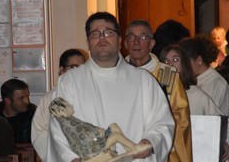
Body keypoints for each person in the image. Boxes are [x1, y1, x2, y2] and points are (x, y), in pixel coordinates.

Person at [47, 12, 175, 162]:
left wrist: (150, 142)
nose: (102, 37)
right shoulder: (69, 81)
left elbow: (162, 123)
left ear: (120, 40)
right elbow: (58, 127)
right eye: (95, 33)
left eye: (108, 32)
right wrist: (71, 159)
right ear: (88, 42)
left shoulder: (144, 80)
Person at [124, 20, 192, 162]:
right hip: (124, 148)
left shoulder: (167, 75)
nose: (136, 42)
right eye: (131, 37)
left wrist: (158, 141)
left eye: (143, 37)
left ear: (152, 44)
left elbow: (180, 118)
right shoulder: (116, 75)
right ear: (125, 44)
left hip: (157, 151)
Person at [160, 44, 229, 162]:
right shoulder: (158, 95)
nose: (170, 65)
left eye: (175, 60)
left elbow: (224, 126)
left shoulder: (197, 95)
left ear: (184, 64)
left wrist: (227, 144)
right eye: (166, 61)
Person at [31, 48, 87, 160]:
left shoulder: (89, 96)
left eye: (83, 68)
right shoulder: (49, 99)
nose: (78, 72)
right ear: (61, 70)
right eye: (74, 67)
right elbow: (39, 132)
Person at [179, 35, 229, 116]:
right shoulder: (187, 80)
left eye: (185, 62)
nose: (181, 66)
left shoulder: (217, 83)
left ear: (199, 60)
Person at [0, 78, 36, 143]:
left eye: (27, 96)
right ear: (8, 100)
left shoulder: (33, 114)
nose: (27, 101)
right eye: (21, 98)